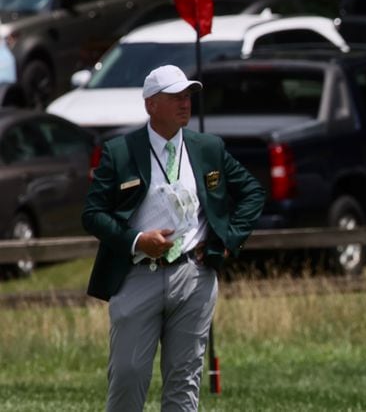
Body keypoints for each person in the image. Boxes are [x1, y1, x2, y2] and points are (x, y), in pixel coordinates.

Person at [83, 64, 265, 411]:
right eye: (175, 97)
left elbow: (252, 193)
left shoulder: (208, 147)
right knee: (128, 375)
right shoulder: (119, 152)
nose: (185, 103)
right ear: (151, 104)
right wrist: (138, 240)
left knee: (184, 382)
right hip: (138, 275)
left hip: (194, 276)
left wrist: (226, 242)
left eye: (188, 96)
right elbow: (92, 215)